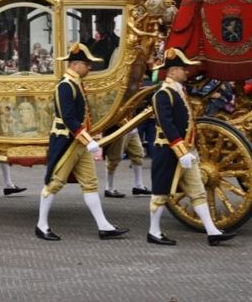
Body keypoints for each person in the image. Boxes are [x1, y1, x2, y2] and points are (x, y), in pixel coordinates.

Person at [35, 42, 128, 241]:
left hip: (78, 141)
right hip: (66, 141)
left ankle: (104, 226)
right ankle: (41, 225)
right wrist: (88, 140)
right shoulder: (65, 86)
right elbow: (68, 118)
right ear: (76, 65)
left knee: (90, 183)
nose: (90, 67)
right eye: (87, 64)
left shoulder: (75, 83)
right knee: (54, 183)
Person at [147, 47, 235, 246]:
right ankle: (153, 231)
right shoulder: (163, 94)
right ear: (172, 71)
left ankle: (212, 231)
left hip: (185, 150)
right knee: (161, 192)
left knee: (197, 191)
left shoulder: (178, 91)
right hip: (168, 149)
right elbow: (166, 124)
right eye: (182, 68)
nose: (186, 71)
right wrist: (180, 150)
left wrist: (188, 149)